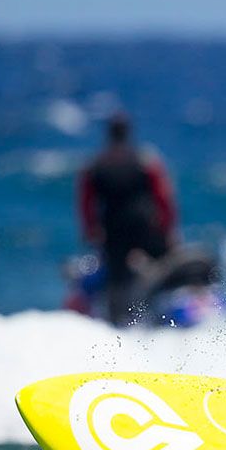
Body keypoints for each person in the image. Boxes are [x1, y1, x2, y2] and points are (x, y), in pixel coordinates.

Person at [76, 112, 179, 326]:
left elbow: (86, 203)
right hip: (145, 227)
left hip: (113, 231)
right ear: (128, 132)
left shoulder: (95, 165)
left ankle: (118, 325)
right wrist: (168, 228)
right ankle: (162, 312)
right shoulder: (145, 160)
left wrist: (91, 230)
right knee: (164, 264)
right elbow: (164, 197)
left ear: (108, 133)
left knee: (116, 280)